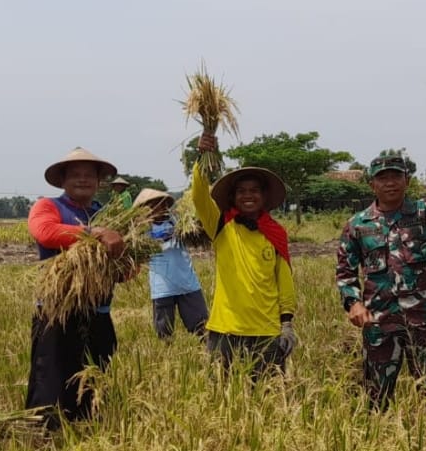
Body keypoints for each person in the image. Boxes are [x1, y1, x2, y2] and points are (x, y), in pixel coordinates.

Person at [336, 118, 426, 410]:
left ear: (406, 180)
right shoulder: (357, 225)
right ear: (372, 183)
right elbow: (345, 273)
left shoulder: (425, 213)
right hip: (379, 322)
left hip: (423, 320)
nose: (390, 182)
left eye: (396, 176)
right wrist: (353, 303)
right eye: (383, 177)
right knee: (375, 398)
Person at [26, 147, 127, 430]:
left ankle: (88, 438)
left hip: (98, 314)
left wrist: (122, 259)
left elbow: (127, 270)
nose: (83, 180)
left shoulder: (108, 215)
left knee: (94, 382)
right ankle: (43, 440)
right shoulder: (48, 207)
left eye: (89, 175)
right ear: (63, 181)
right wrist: (93, 234)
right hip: (57, 312)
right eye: (75, 175)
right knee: (51, 384)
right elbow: (45, 233)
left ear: (98, 182)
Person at [192, 133, 297, 379]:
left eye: (254, 191)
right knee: (223, 398)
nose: (248, 195)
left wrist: (287, 323)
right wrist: (203, 158)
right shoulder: (220, 225)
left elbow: (284, 282)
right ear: (233, 197)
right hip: (225, 329)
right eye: (241, 191)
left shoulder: (276, 233)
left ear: (264, 196)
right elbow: (199, 196)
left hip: (267, 330)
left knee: (268, 396)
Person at [134, 188, 208, 342]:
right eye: (151, 206)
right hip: (162, 286)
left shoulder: (178, 222)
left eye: (161, 205)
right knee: (164, 329)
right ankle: (167, 352)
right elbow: (142, 249)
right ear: (142, 210)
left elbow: (194, 234)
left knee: (201, 324)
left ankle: (207, 352)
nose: (157, 209)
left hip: (186, 282)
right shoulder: (142, 231)